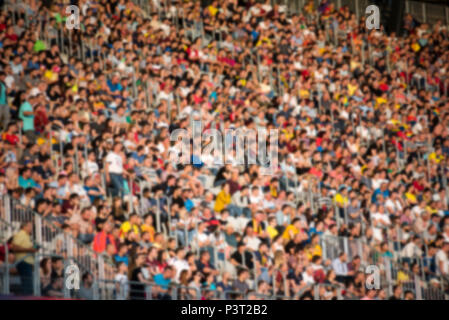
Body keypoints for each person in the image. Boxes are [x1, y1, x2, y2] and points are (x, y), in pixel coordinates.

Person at [12, 221, 37, 295]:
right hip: (23, 262)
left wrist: (32, 249)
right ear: (24, 227)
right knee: (27, 286)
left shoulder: (27, 236)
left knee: (28, 285)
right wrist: (29, 250)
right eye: (29, 226)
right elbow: (14, 247)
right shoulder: (20, 234)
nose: (31, 228)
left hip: (27, 262)